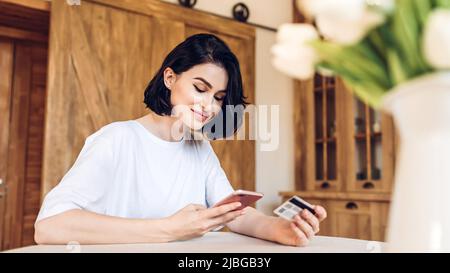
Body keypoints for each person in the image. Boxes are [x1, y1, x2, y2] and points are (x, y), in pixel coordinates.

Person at [34, 33, 326, 247]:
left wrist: (282, 229)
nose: (210, 106)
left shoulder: (199, 147)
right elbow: (50, 226)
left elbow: (231, 215)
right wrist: (169, 229)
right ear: (170, 78)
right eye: (200, 88)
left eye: (219, 98)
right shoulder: (117, 139)